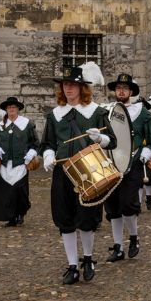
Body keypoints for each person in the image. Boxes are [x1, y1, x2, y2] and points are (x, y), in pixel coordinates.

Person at [41, 61, 115, 285]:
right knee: (65, 218)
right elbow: (47, 143)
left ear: (82, 87)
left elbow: (113, 140)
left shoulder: (96, 112)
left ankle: (88, 259)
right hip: (63, 171)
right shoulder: (55, 115)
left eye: (72, 85)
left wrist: (100, 138)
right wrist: (47, 155)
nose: (68, 89)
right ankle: (72, 265)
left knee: (86, 217)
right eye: (65, 85)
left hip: (89, 171)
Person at [103, 73, 151, 262]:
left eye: (125, 88)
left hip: (133, 163)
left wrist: (147, 151)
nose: (121, 91)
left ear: (131, 91)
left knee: (128, 204)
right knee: (113, 207)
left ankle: (134, 237)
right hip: (111, 164)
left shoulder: (142, 113)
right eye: (118, 88)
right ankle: (118, 247)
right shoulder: (107, 112)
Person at [0, 96, 38, 227]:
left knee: (20, 192)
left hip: (21, 164)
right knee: (6, 193)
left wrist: (31, 153)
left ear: (18, 109)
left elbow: (35, 143)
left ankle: (20, 214)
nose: (11, 109)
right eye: (9, 107)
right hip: (4, 165)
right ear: (6, 109)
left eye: (13, 107)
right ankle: (11, 218)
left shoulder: (27, 125)